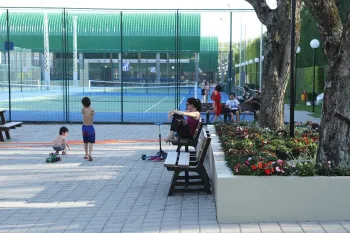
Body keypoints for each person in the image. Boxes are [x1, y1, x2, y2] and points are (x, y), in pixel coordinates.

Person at [81, 97, 95, 161]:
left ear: (83, 104)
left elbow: (82, 112)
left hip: (84, 127)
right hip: (90, 127)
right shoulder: (92, 110)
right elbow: (93, 113)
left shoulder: (83, 110)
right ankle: (90, 154)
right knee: (91, 142)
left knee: (85, 142)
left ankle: (86, 154)